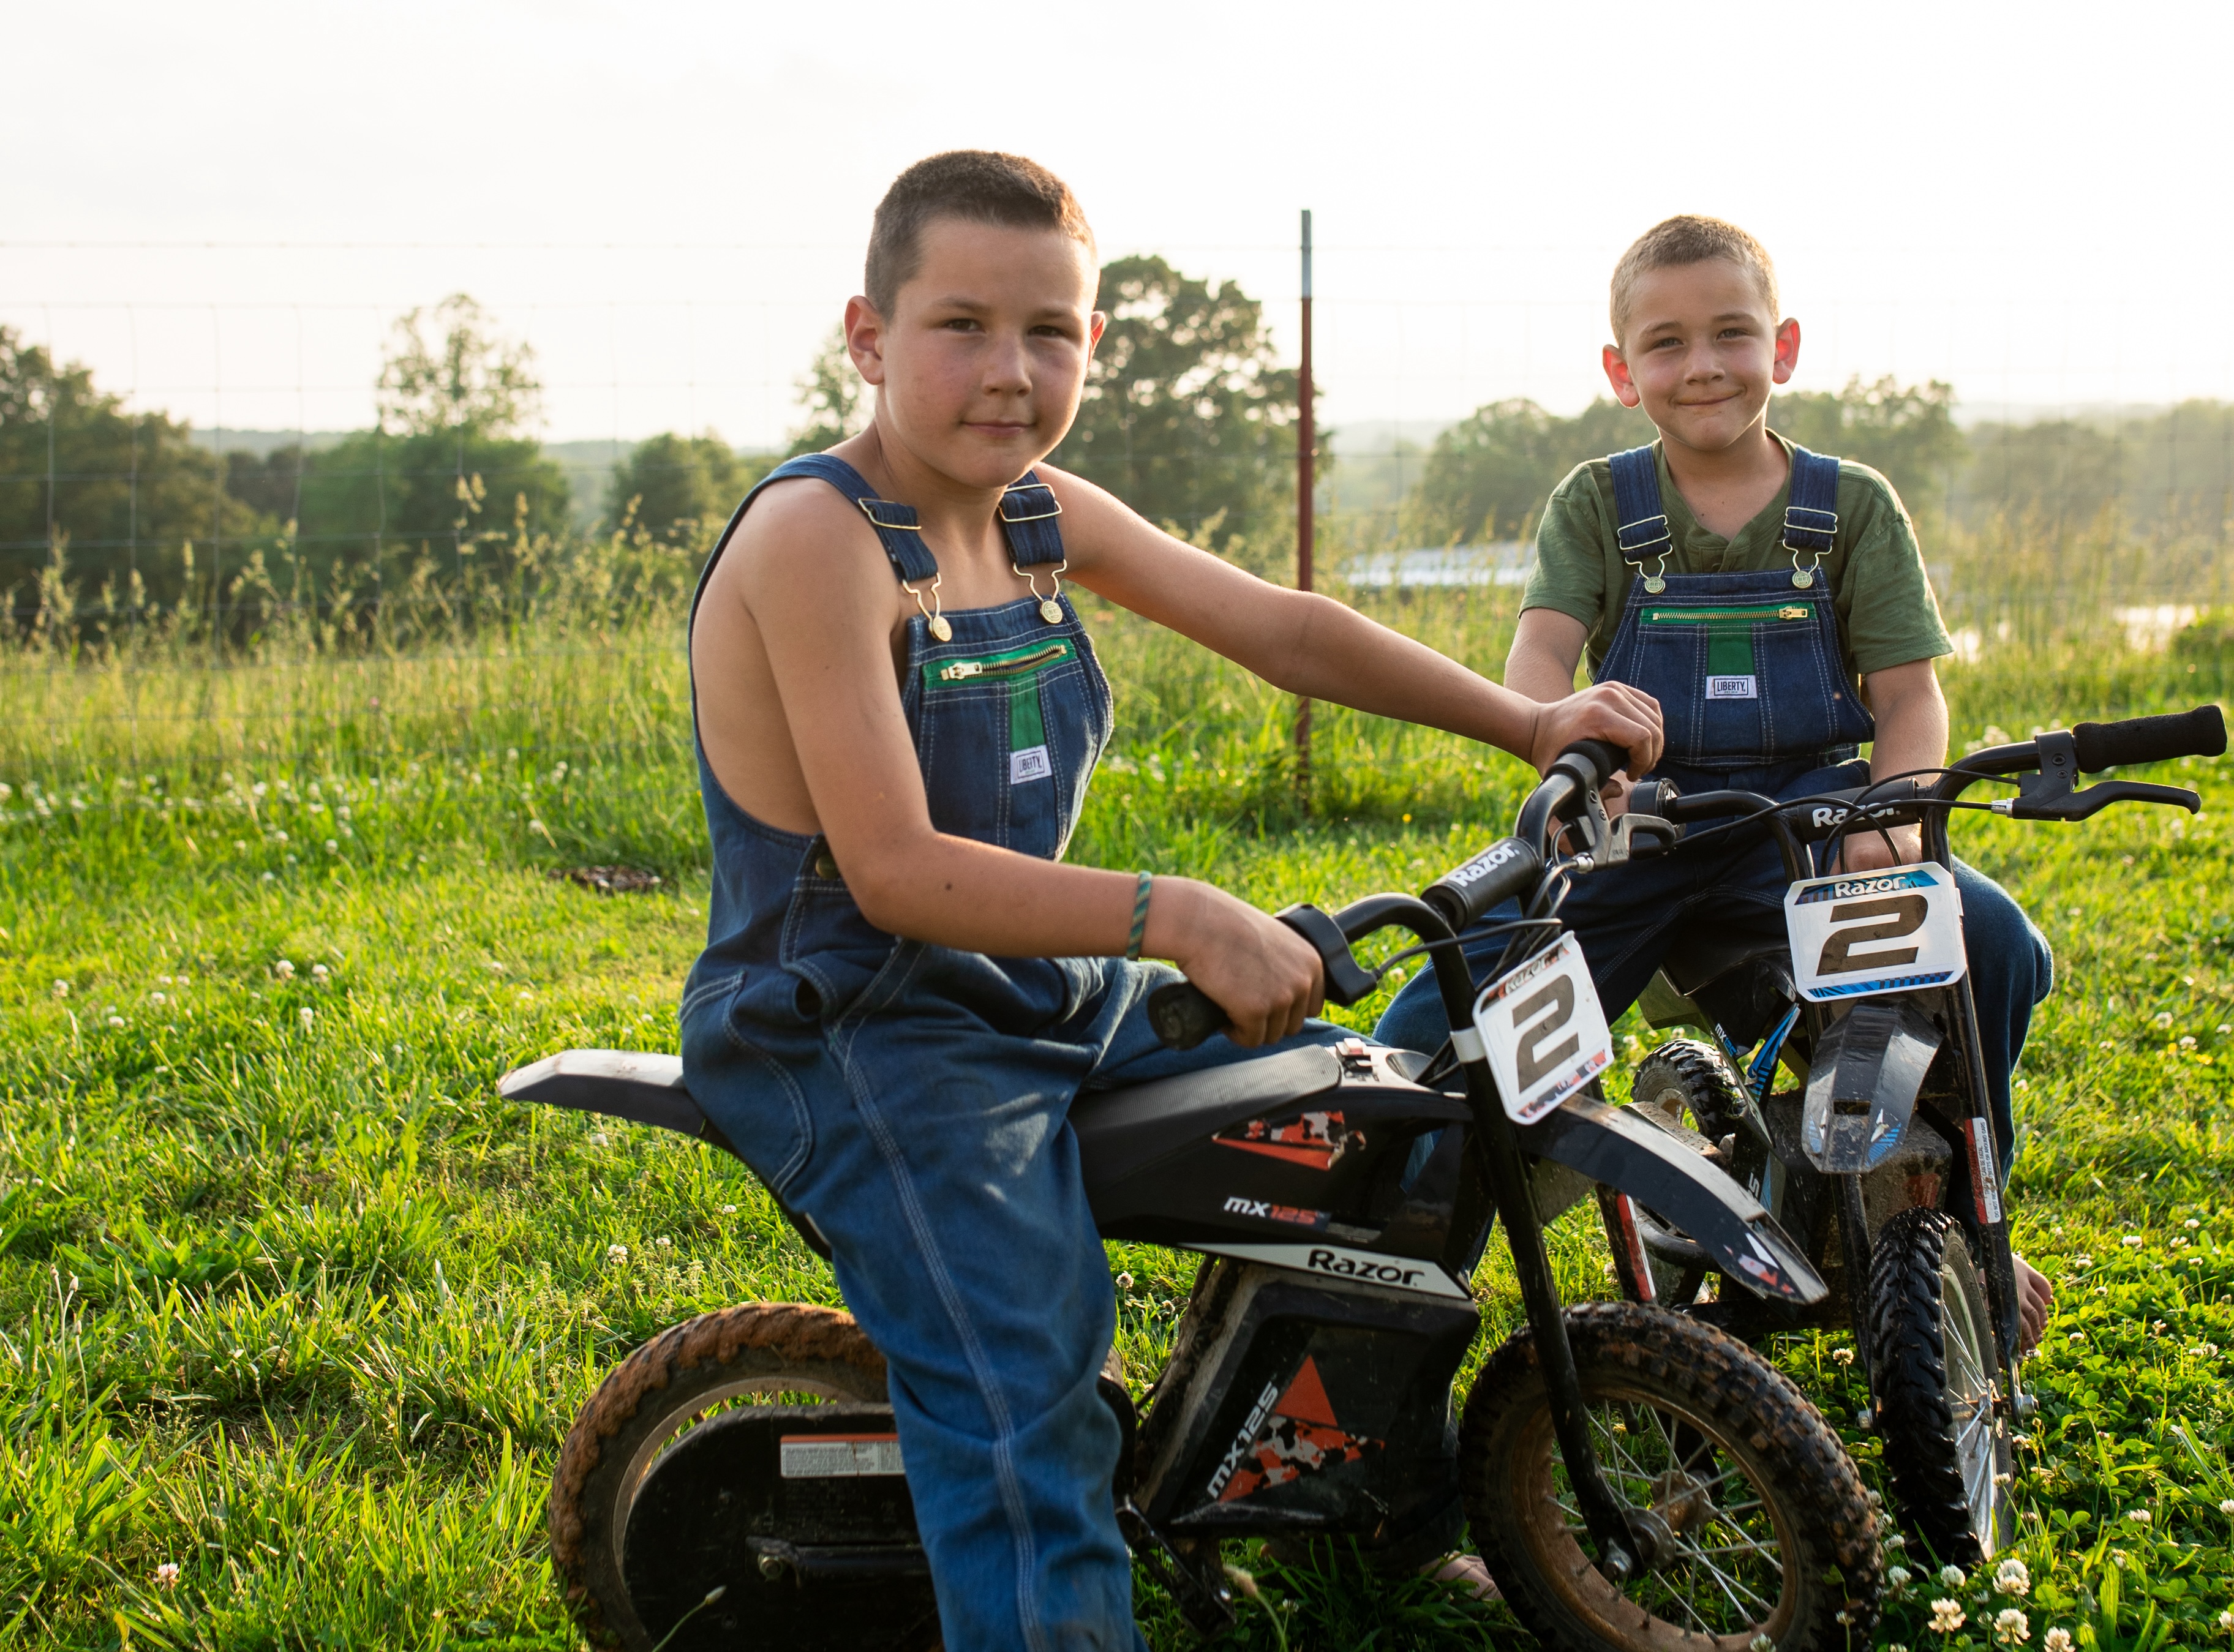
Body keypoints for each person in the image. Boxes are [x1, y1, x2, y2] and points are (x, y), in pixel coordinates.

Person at [679, 149, 1660, 1651]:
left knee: (1380, 1139)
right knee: (1027, 1386)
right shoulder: (817, 540)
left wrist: (1528, 725)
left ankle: (1361, 1506)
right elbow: (894, 872)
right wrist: (1180, 912)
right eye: (962, 325)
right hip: (861, 1031)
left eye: (1053, 330)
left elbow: (1284, 628)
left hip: (1041, 996)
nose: (1012, 372)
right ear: (869, 338)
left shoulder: (1035, 514)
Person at [1374, 214, 2056, 1351]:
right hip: (1629, 832)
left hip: (1813, 829)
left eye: (1732, 334)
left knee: (1991, 941)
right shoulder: (1600, 505)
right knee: (1444, 1023)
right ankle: (1391, 1268)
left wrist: (1892, 817)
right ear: (1621, 370)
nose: (1702, 366)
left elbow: (1908, 699)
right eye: (1667, 342)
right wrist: (1559, 745)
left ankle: (1954, 1218)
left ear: (1782, 348)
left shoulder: (1852, 508)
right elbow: (1541, 657)